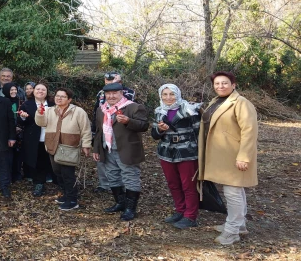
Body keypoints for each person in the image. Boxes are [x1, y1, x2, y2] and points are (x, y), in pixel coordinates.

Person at [199, 71, 258, 245]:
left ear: (233, 85)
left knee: (232, 192)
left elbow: (249, 131)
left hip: (235, 155)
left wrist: (244, 156)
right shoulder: (216, 101)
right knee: (235, 190)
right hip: (222, 155)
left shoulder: (242, 103)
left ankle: (232, 231)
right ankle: (239, 225)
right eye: (217, 84)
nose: (220, 86)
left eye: (224, 83)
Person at [93, 83, 149, 220]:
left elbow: (144, 126)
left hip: (127, 149)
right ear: (104, 95)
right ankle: (120, 203)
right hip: (108, 149)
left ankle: (130, 209)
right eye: (108, 94)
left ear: (121, 93)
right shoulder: (101, 109)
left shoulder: (133, 107)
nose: (111, 96)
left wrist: (128, 121)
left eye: (114, 93)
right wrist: (96, 149)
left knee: (130, 178)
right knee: (112, 177)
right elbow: (99, 131)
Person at [151, 84, 201, 229]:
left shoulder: (190, 110)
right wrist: (159, 130)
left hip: (187, 152)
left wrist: (202, 153)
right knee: (173, 183)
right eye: (165, 94)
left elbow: (200, 133)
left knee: (188, 185)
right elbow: (154, 135)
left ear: (178, 94)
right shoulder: (159, 111)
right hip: (166, 152)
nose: (168, 97)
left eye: (172, 94)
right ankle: (180, 210)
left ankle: (190, 216)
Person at [35, 88, 92, 210]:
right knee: (57, 172)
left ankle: (72, 199)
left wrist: (86, 144)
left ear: (69, 99)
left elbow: (86, 129)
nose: (59, 98)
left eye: (63, 96)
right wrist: (40, 113)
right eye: (57, 96)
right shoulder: (50, 110)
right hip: (52, 145)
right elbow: (41, 123)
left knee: (67, 174)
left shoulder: (78, 111)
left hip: (69, 146)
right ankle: (66, 194)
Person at [91, 71, 136, 193]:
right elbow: (97, 110)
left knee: (121, 160)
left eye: (113, 83)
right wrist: (94, 128)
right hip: (103, 127)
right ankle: (104, 184)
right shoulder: (100, 93)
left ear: (120, 82)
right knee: (102, 156)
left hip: (120, 128)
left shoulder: (128, 92)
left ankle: (123, 186)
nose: (109, 86)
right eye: (107, 83)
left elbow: (128, 109)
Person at [18, 83, 55, 197]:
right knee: (38, 160)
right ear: (33, 91)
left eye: (43, 89)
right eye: (38, 89)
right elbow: (20, 123)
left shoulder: (53, 104)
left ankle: (56, 180)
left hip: (51, 136)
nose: (40, 91)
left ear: (47, 92)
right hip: (34, 138)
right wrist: (22, 117)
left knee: (52, 160)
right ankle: (39, 183)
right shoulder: (26, 104)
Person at [2, 82, 24, 182]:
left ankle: (17, 174)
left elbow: (24, 116)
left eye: (15, 89)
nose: (14, 91)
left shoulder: (21, 102)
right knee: (8, 156)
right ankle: (8, 176)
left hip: (19, 132)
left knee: (18, 155)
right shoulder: (2, 102)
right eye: (11, 90)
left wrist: (19, 126)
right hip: (6, 132)